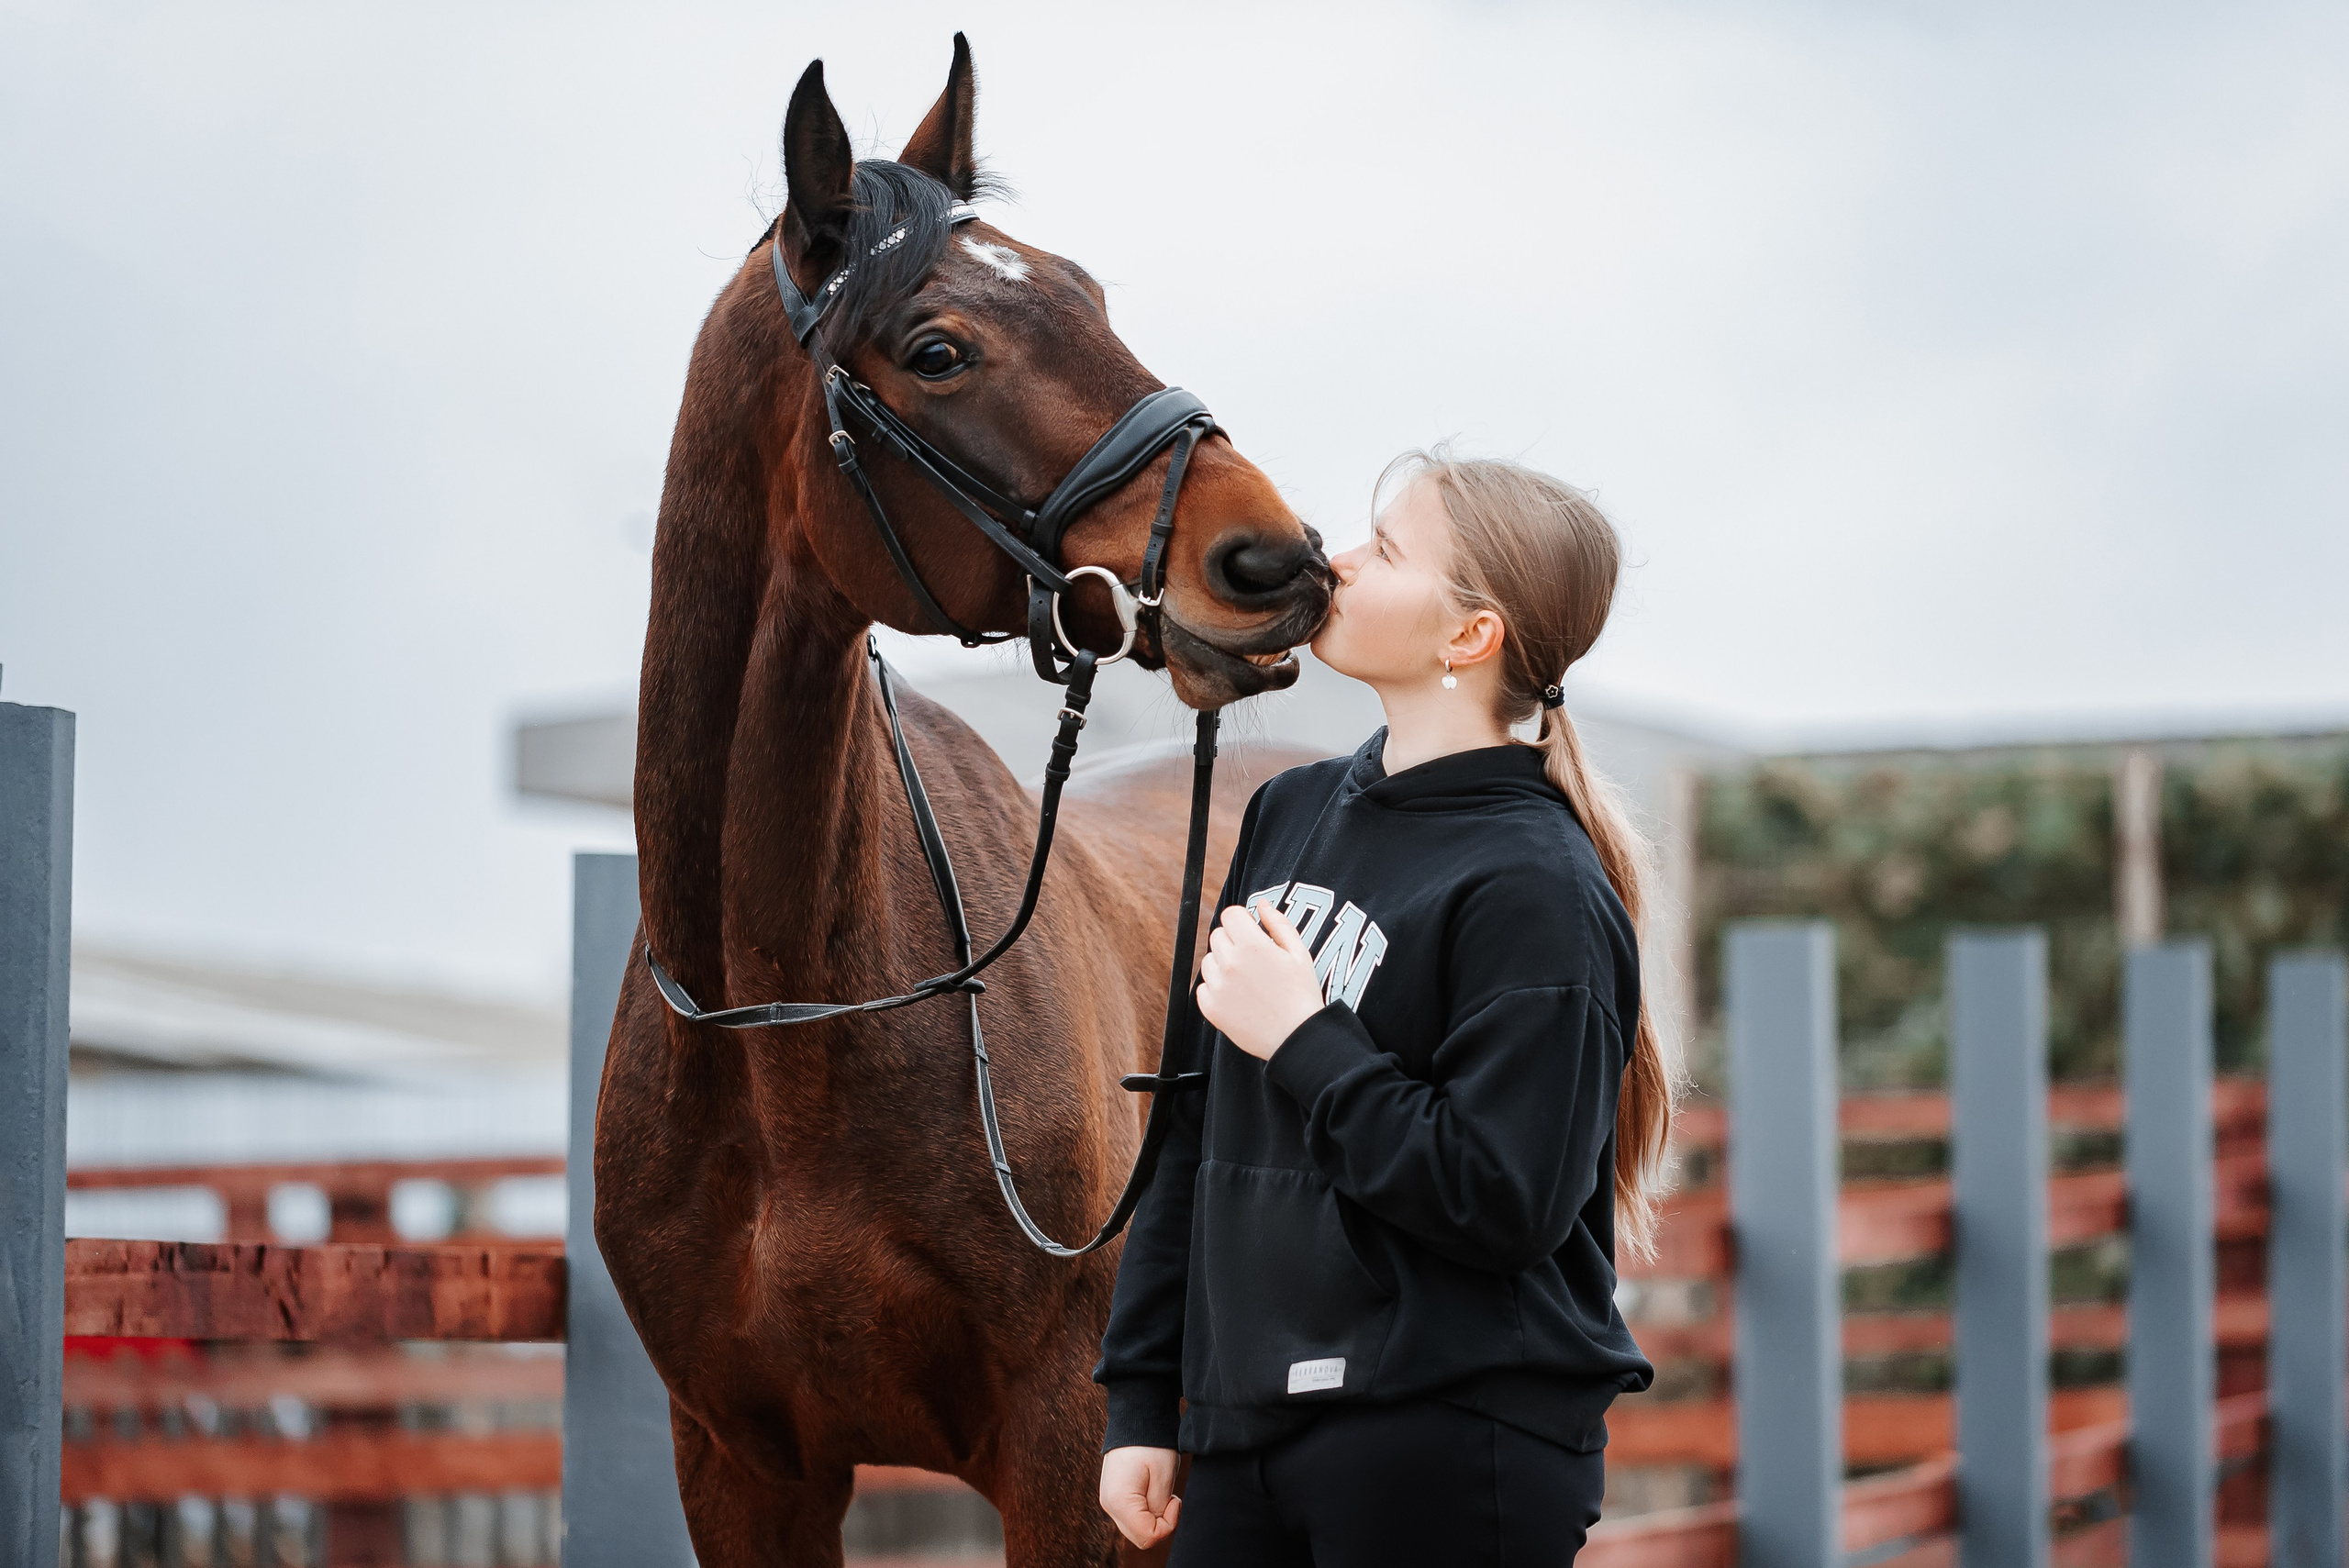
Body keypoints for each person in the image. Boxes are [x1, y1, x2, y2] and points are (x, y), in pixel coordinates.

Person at [1091, 448, 1676, 1567]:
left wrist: (1308, 1040)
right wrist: (1144, 1399)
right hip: (1243, 1432)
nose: (1333, 560)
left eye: (1385, 548)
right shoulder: (1288, 813)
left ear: (1470, 636)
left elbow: (1501, 1194)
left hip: (1445, 1440)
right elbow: (1195, 1132)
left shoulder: (1536, 886)